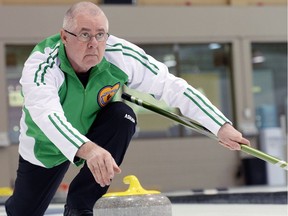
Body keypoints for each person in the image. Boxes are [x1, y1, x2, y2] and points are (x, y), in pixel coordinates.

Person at [5, 1, 250, 216]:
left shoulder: (120, 55)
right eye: (84, 34)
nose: (94, 43)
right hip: (46, 145)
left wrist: (220, 125)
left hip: (94, 131)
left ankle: (80, 206)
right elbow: (48, 116)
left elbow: (172, 86)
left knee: (123, 116)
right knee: (24, 212)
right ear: (64, 36)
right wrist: (89, 150)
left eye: (101, 34)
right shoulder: (42, 65)